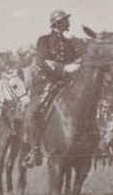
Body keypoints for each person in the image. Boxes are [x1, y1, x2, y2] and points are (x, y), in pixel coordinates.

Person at [26, 9, 86, 162]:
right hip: (47, 84)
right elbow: (44, 61)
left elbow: (80, 59)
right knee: (34, 111)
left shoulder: (69, 42)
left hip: (67, 84)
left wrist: (76, 47)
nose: (69, 22)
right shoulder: (43, 40)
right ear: (58, 22)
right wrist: (64, 68)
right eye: (66, 20)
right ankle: (34, 150)